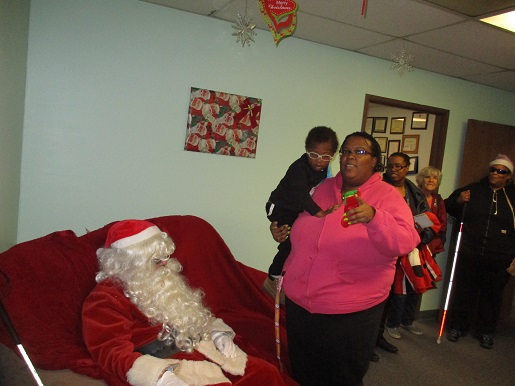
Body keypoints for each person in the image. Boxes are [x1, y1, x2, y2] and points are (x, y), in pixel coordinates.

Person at [279, 132, 420, 385]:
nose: (350, 156)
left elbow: (406, 241)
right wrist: (280, 229)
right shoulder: (322, 187)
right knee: (302, 372)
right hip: (301, 303)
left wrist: (375, 217)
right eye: (345, 151)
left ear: (375, 161)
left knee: (340, 378)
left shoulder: (387, 196)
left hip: (349, 312)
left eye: (360, 152)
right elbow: (299, 222)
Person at [82, 219, 285, 386]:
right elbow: (110, 352)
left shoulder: (163, 279)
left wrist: (218, 334)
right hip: (166, 366)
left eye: (166, 256)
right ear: (130, 263)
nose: (165, 263)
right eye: (156, 260)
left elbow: (193, 314)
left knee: (264, 373)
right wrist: (160, 377)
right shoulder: (104, 299)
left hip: (201, 349)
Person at [444, 154, 515, 349]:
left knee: (492, 296)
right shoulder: (473, 189)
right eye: (493, 169)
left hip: (499, 258)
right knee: (464, 292)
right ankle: (458, 327)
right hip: (469, 253)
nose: (495, 173)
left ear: (508, 176)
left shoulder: (513, 197)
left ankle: (486, 332)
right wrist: (458, 200)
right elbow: (447, 207)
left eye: (501, 171)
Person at [263, 126, 339, 299]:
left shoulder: (326, 173)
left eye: (326, 157)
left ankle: (286, 277)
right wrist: (321, 214)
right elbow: (301, 196)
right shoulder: (298, 168)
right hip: (279, 206)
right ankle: (274, 276)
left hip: (295, 209)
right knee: (289, 242)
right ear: (306, 151)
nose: (319, 161)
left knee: (298, 241)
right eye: (314, 155)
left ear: (333, 155)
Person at [382, 153, 438, 342]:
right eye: (390, 166)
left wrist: (420, 237)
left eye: (399, 166)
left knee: (413, 285)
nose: (394, 170)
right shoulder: (380, 188)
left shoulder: (414, 191)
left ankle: (406, 320)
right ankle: (387, 326)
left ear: (407, 168)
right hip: (386, 247)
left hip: (412, 246)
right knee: (388, 290)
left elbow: (427, 219)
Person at [416, 166, 447, 257]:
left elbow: (443, 224)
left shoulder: (438, 200)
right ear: (421, 179)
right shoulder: (413, 197)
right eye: (427, 177)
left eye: (435, 178)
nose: (431, 180)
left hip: (432, 245)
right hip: (414, 241)